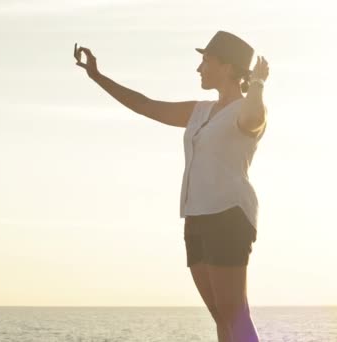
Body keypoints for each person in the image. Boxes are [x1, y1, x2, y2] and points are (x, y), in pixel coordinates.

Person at [74, 30, 269, 342]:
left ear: (228, 67)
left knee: (235, 314)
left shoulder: (245, 111)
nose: (199, 68)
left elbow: (254, 117)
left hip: (228, 216)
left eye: (205, 61)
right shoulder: (200, 111)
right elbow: (145, 105)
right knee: (221, 316)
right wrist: (97, 76)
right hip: (196, 218)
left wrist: (257, 84)